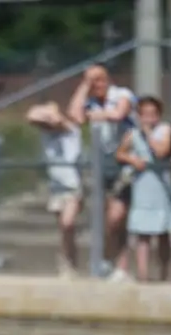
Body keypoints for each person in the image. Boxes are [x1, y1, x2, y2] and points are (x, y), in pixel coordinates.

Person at [66, 64, 136, 277]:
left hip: (123, 160)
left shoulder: (122, 94)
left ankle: (118, 263)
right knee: (105, 219)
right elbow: (75, 116)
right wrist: (84, 86)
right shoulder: (90, 101)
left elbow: (119, 114)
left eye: (99, 79)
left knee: (117, 217)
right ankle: (111, 261)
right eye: (91, 81)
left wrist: (95, 115)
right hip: (100, 163)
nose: (96, 85)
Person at [113, 96, 171, 282]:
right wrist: (132, 159)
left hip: (161, 187)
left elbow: (161, 152)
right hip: (142, 186)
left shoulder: (166, 131)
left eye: (152, 114)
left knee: (164, 233)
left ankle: (165, 274)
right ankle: (143, 275)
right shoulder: (133, 133)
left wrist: (149, 134)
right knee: (143, 234)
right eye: (145, 114)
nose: (148, 118)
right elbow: (120, 153)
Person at [26, 101, 82, 278]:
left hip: (72, 185)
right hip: (56, 186)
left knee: (68, 223)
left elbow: (60, 122)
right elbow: (31, 116)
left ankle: (69, 261)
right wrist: (48, 112)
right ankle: (68, 262)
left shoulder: (72, 132)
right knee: (65, 230)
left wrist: (54, 115)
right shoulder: (46, 135)